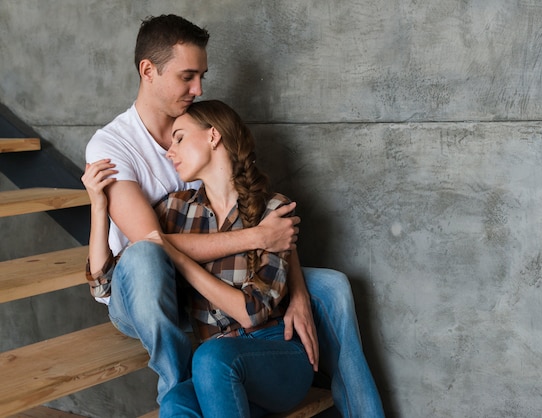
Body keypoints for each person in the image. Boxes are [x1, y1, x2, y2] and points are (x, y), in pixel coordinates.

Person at [84, 14, 384, 416]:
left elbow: (266, 213)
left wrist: (295, 294)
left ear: (212, 137)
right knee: (146, 263)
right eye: (188, 77)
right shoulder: (115, 144)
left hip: (225, 284)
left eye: (202, 76)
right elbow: (150, 243)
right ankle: (176, 378)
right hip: (151, 290)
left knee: (330, 288)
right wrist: (258, 238)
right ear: (148, 71)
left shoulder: (196, 121)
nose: (198, 88)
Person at [84, 100, 314, 417]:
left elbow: (252, 313)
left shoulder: (273, 210)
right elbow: (106, 284)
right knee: (176, 400)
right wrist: (99, 207)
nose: (169, 151)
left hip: (273, 354)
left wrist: (178, 257)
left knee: (210, 357)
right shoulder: (174, 210)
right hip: (216, 374)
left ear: (213, 136)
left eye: (179, 138)